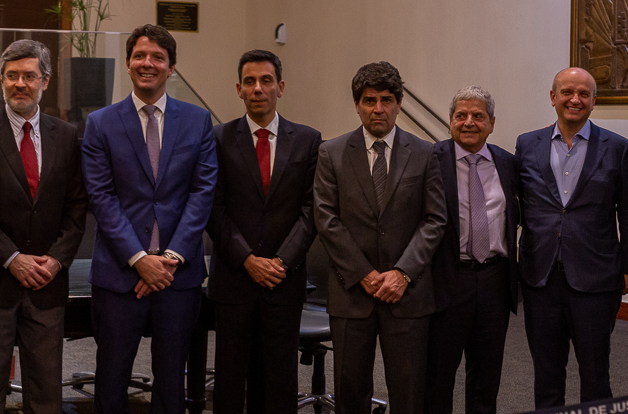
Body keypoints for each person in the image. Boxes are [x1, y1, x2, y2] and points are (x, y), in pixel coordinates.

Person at [80, 24, 217, 414]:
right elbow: (101, 198)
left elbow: (201, 193)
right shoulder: (100, 123)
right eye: (140, 56)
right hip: (119, 275)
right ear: (127, 65)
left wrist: (170, 259)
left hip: (178, 275)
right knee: (111, 380)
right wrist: (140, 260)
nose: (148, 63)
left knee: (172, 382)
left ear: (171, 67)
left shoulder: (197, 121)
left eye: (158, 57)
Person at [311, 61, 446, 414]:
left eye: (387, 100)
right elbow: (326, 219)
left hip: (408, 294)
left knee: (409, 392)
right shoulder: (332, 153)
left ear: (399, 103)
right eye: (370, 100)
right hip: (352, 293)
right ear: (357, 104)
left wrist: (402, 273)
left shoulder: (426, 153)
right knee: (350, 391)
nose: (378, 109)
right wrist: (365, 274)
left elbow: (434, 220)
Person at [0, 39, 85, 414]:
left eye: (29, 76)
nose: (20, 83)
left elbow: (77, 206)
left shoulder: (65, 135)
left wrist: (56, 260)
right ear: (1, 80)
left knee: (46, 393)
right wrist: (11, 258)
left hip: (47, 285)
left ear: (45, 82)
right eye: (12, 76)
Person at [514, 67, 628, 409]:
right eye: (567, 92)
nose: (575, 99)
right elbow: (516, 207)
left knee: (597, 374)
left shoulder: (618, 148)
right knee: (546, 373)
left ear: (594, 101)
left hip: (596, 280)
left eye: (584, 94)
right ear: (553, 98)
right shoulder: (526, 144)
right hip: (540, 278)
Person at [209, 49, 321, 414]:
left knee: (278, 381)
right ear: (238, 89)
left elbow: (311, 211)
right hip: (233, 279)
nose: (258, 88)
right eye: (250, 82)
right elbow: (214, 208)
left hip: (283, 282)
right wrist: (248, 260)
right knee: (229, 382)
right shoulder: (218, 139)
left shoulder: (307, 140)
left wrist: (280, 262)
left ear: (281, 87)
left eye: (266, 81)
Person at [425, 86, 521, 414]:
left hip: (495, 280)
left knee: (486, 376)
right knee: (438, 375)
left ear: (492, 123)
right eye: (461, 115)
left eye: (478, 116)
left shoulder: (508, 163)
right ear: (450, 121)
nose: (469, 122)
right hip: (447, 280)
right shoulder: (428, 160)